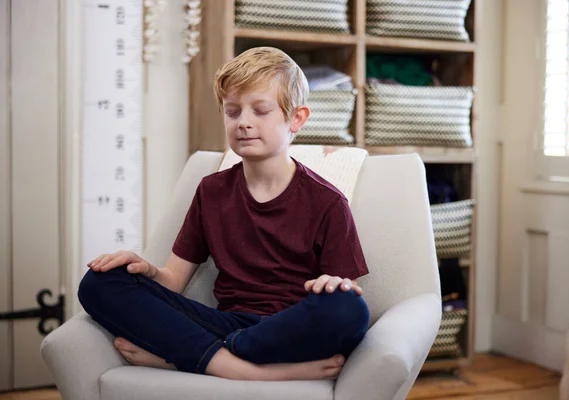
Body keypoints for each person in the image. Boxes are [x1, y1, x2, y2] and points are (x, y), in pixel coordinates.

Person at [77, 46, 370, 381]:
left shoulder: (328, 202)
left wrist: (334, 285)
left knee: (349, 309)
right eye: (232, 112)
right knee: (100, 282)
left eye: (260, 111)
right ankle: (247, 369)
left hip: (288, 328)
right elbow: (173, 281)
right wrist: (146, 271)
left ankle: (188, 356)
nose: (244, 123)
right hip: (224, 323)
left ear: (296, 119)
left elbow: (344, 292)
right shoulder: (211, 190)